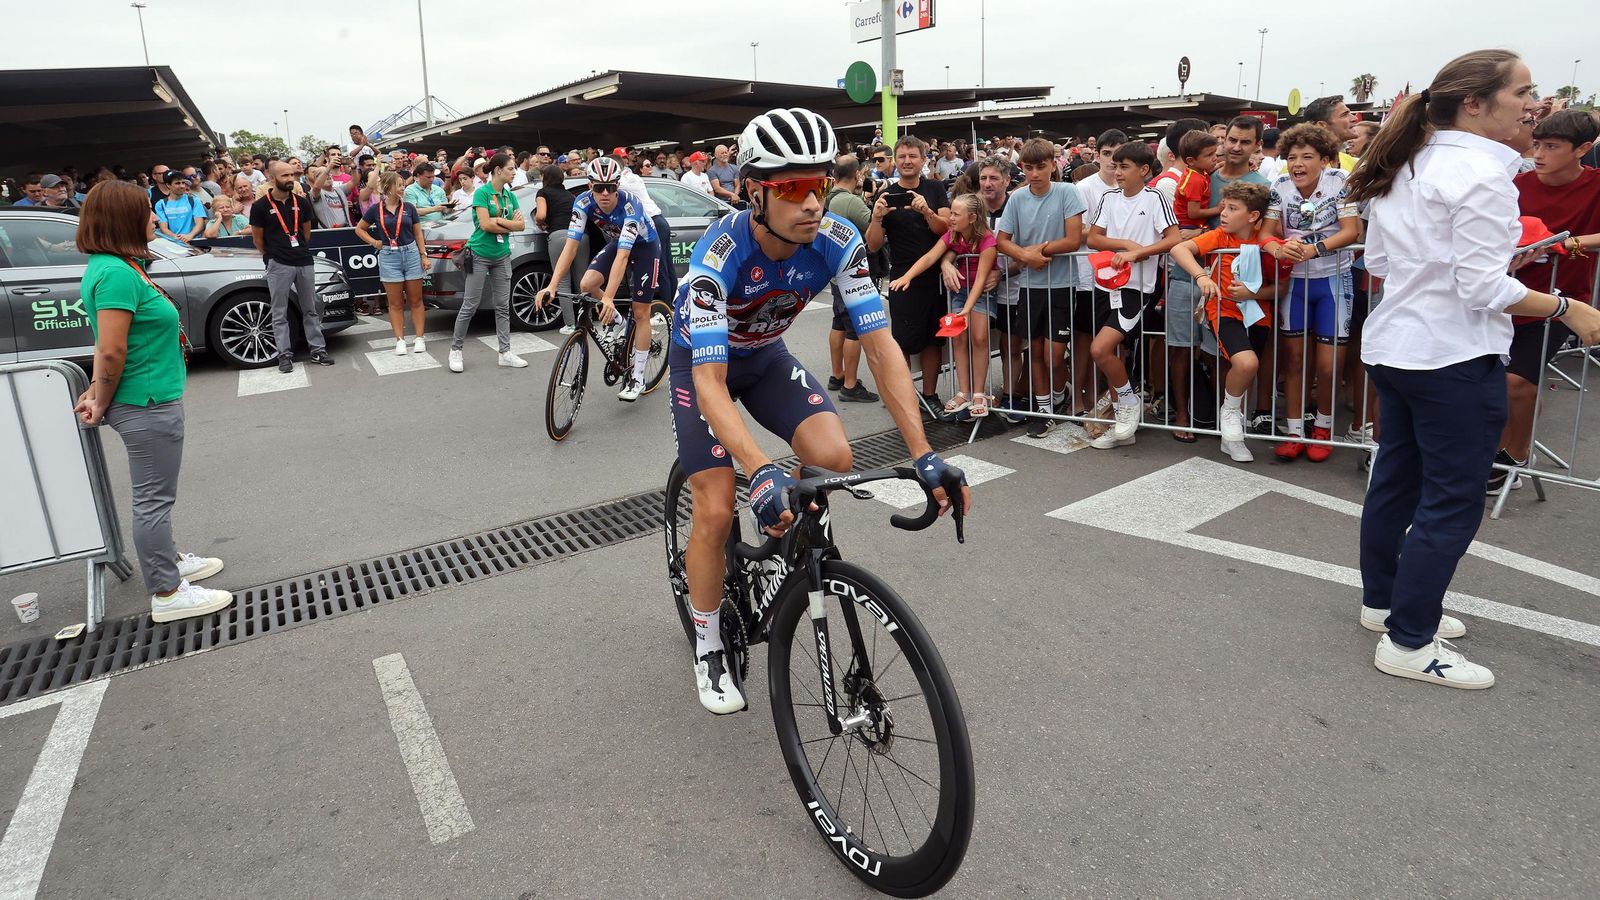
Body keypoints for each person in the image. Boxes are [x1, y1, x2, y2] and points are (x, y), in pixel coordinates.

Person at [667, 107, 971, 714]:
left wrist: (923, 453)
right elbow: (710, 384)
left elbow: (881, 348)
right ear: (754, 192)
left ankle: (789, 548)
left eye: (820, 184)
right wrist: (760, 470)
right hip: (702, 366)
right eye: (792, 188)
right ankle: (709, 644)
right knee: (717, 506)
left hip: (765, 357)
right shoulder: (719, 255)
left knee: (833, 456)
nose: (812, 203)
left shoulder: (838, 238)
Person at [1348, 49, 1600, 689]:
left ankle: (1387, 605)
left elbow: (1384, 261)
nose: (1533, 105)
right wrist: (1570, 308)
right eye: (1523, 91)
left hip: (1400, 346)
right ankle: (1409, 641)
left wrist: (1476, 269)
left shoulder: (1410, 159)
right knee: (1451, 501)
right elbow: (1483, 287)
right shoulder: (1481, 174)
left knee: (1397, 481)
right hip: (1451, 355)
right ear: (1474, 102)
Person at [71, 180, 234, 623]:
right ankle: (167, 591)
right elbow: (110, 349)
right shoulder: (116, 273)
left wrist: (97, 388)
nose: (155, 218)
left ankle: (169, 562)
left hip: (150, 394)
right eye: (147, 211)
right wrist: (101, 397)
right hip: (144, 400)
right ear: (124, 220)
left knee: (156, 496)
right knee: (153, 500)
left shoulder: (123, 266)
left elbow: (109, 343)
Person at [1492, 109, 1600, 491]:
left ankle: (1516, 457)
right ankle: (1501, 447)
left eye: (1552, 147)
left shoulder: (1596, 185)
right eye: (1537, 144)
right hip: (1509, 297)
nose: (1538, 154)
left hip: (1563, 302)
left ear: (1582, 149)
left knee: (1516, 382)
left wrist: (1567, 244)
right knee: (1504, 383)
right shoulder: (1515, 184)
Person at [1262, 124, 1362, 462]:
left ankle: (1323, 428)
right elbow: (1266, 233)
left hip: (1333, 280)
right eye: (1292, 157)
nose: (1298, 164)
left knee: (1328, 367)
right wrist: (1277, 249)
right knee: (1293, 361)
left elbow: (1352, 230)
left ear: (1325, 159)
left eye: (1307, 157)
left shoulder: (1339, 181)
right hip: (1295, 283)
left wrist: (1314, 249)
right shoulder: (1280, 186)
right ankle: (1295, 431)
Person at [1169, 182, 1280, 463]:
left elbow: (1280, 288)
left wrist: (1252, 293)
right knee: (1246, 363)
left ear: (1253, 216)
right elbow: (1179, 250)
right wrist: (1201, 276)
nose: (1224, 213)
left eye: (1232, 208)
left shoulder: (1266, 241)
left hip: (1259, 315)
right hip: (1225, 312)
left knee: (1245, 373)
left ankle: (1233, 438)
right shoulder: (1219, 235)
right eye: (1224, 207)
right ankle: (1229, 416)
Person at [534, 157, 660, 400]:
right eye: (599, 187)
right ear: (590, 185)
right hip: (618, 242)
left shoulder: (631, 205)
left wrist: (609, 298)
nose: (604, 193)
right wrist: (551, 285)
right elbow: (570, 246)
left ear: (617, 186)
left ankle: (638, 377)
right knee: (586, 283)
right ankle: (618, 320)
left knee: (641, 312)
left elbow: (623, 256)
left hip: (644, 247)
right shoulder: (582, 202)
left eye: (610, 187)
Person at [1084, 142, 1181, 449]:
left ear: (1144, 170)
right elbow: (1093, 238)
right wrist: (1125, 245)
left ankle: (1129, 403)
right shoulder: (1109, 198)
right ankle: (1122, 426)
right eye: (1115, 166)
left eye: (1124, 167)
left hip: (1136, 288)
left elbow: (1173, 238)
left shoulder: (1155, 198)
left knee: (1100, 349)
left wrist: (1139, 253)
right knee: (1114, 354)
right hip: (1105, 285)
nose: (1117, 172)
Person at [993, 138, 1087, 437]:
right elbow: (1002, 241)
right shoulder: (1017, 198)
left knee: (1054, 355)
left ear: (1053, 165)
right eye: (1029, 168)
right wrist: (1025, 257)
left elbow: (1073, 240)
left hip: (1062, 285)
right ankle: (1044, 410)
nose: (1034, 174)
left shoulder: (1067, 192)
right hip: (1029, 286)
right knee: (1033, 349)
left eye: (1041, 167)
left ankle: (1059, 396)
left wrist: (1037, 252)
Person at [866, 135, 952, 416]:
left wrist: (926, 211)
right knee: (902, 341)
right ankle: (904, 397)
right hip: (902, 276)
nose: (906, 161)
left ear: (923, 159)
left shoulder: (935, 188)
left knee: (933, 340)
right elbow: (873, 245)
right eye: (902, 156)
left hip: (934, 275)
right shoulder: (886, 194)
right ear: (895, 160)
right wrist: (877, 217)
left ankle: (930, 395)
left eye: (912, 156)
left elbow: (947, 231)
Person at [890, 194, 998, 418]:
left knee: (980, 338)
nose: (951, 217)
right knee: (958, 339)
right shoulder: (953, 235)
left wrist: (967, 309)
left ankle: (979, 392)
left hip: (981, 293)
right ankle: (964, 392)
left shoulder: (987, 240)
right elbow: (930, 257)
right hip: (959, 292)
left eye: (956, 214)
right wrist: (907, 276)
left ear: (972, 217)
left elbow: (981, 279)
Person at [447, 152, 527, 373]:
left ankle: (505, 352)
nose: (514, 172)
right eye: (511, 168)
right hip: (480, 254)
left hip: (502, 255)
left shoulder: (509, 195)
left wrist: (498, 220)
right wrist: (508, 223)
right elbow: (484, 225)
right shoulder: (482, 193)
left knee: (502, 305)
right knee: (470, 304)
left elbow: (521, 225)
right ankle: (455, 350)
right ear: (498, 170)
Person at [251, 161, 332, 373]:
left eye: (291, 175)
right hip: (278, 263)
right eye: (285, 176)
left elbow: (306, 234)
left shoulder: (302, 202)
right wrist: (271, 257)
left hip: (303, 260)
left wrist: (298, 249)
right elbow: (257, 239)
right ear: (272, 178)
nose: (290, 179)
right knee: (279, 312)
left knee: (310, 309)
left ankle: (317, 350)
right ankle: (284, 355)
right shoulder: (260, 206)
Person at [822, 158, 879, 403]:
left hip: (835, 271)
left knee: (839, 322)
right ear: (856, 174)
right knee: (854, 329)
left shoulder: (828, 198)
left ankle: (837, 375)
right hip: (853, 274)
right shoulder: (850, 201)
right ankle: (850, 384)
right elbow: (873, 227)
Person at [356, 172, 431, 356]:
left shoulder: (409, 207)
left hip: (411, 253)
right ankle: (400, 340)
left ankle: (419, 338)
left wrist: (423, 255)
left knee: (415, 300)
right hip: (389, 256)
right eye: (399, 185)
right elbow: (360, 229)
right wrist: (374, 242)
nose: (402, 188)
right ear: (388, 188)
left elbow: (418, 233)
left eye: (403, 185)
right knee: (395, 303)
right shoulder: (376, 209)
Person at [534, 164, 586, 334]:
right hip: (581, 236)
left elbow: (541, 215)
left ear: (545, 177)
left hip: (558, 235)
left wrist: (540, 223)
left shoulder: (543, 193)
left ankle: (570, 324)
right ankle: (586, 320)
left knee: (562, 281)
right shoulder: (570, 195)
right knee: (582, 280)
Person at [1303, 95, 1360, 172]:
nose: (1355, 119)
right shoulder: (1299, 166)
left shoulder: (1353, 163)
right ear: (1321, 125)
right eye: (1344, 115)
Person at [154, 172, 205, 243]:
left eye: (183, 183)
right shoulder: (161, 204)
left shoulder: (194, 200)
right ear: (168, 185)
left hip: (192, 243)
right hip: (173, 243)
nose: (182, 186)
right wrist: (176, 237)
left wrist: (190, 236)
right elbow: (163, 228)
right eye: (177, 183)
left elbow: (200, 224)